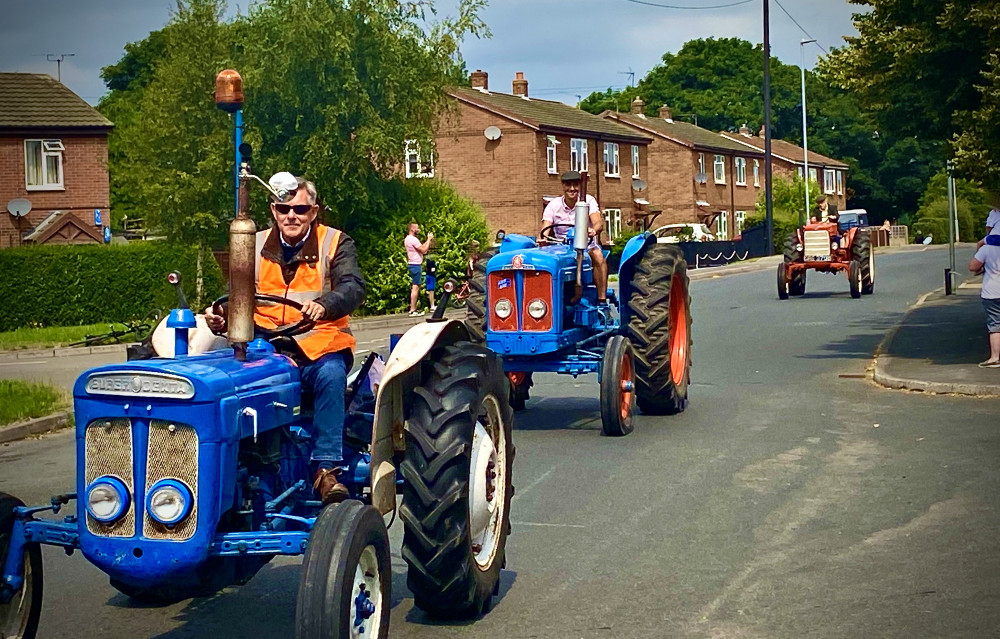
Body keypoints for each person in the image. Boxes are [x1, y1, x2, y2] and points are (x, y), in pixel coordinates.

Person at [205, 173, 366, 504]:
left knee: (331, 375)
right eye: (283, 208)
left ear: (314, 211)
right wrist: (220, 315)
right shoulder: (255, 243)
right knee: (221, 378)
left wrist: (325, 304)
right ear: (273, 210)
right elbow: (237, 291)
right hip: (267, 348)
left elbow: (352, 287)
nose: (291, 216)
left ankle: (325, 469)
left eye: (300, 210)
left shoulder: (335, 242)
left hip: (319, 344)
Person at [542, 170, 609, 305]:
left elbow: (598, 223)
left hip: (586, 246)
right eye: (568, 185)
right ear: (563, 186)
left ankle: (602, 299)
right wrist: (543, 239)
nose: (572, 188)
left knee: (598, 255)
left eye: (575, 185)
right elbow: (545, 229)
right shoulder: (553, 205)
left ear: (580, 186)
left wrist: (592, 230)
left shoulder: (588, 200)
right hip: (561, 248)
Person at [969, 235, 1000, 367]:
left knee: (995, 325)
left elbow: (973, 266)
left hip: (992, 292)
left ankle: (994, 358)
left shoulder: (986, 249)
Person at [405, 222, 433, 316]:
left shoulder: (408, 239)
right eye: (417, 228)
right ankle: (413, 309)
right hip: (416, 265)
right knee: (415, 287)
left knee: (415, 286)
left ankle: (413, 309)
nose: (419, 230)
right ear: (412, 229)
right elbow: (424, 250)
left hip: (412, 264)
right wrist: (429, 239)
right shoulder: (413, 240)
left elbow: (422, 247)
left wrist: (426, 242)